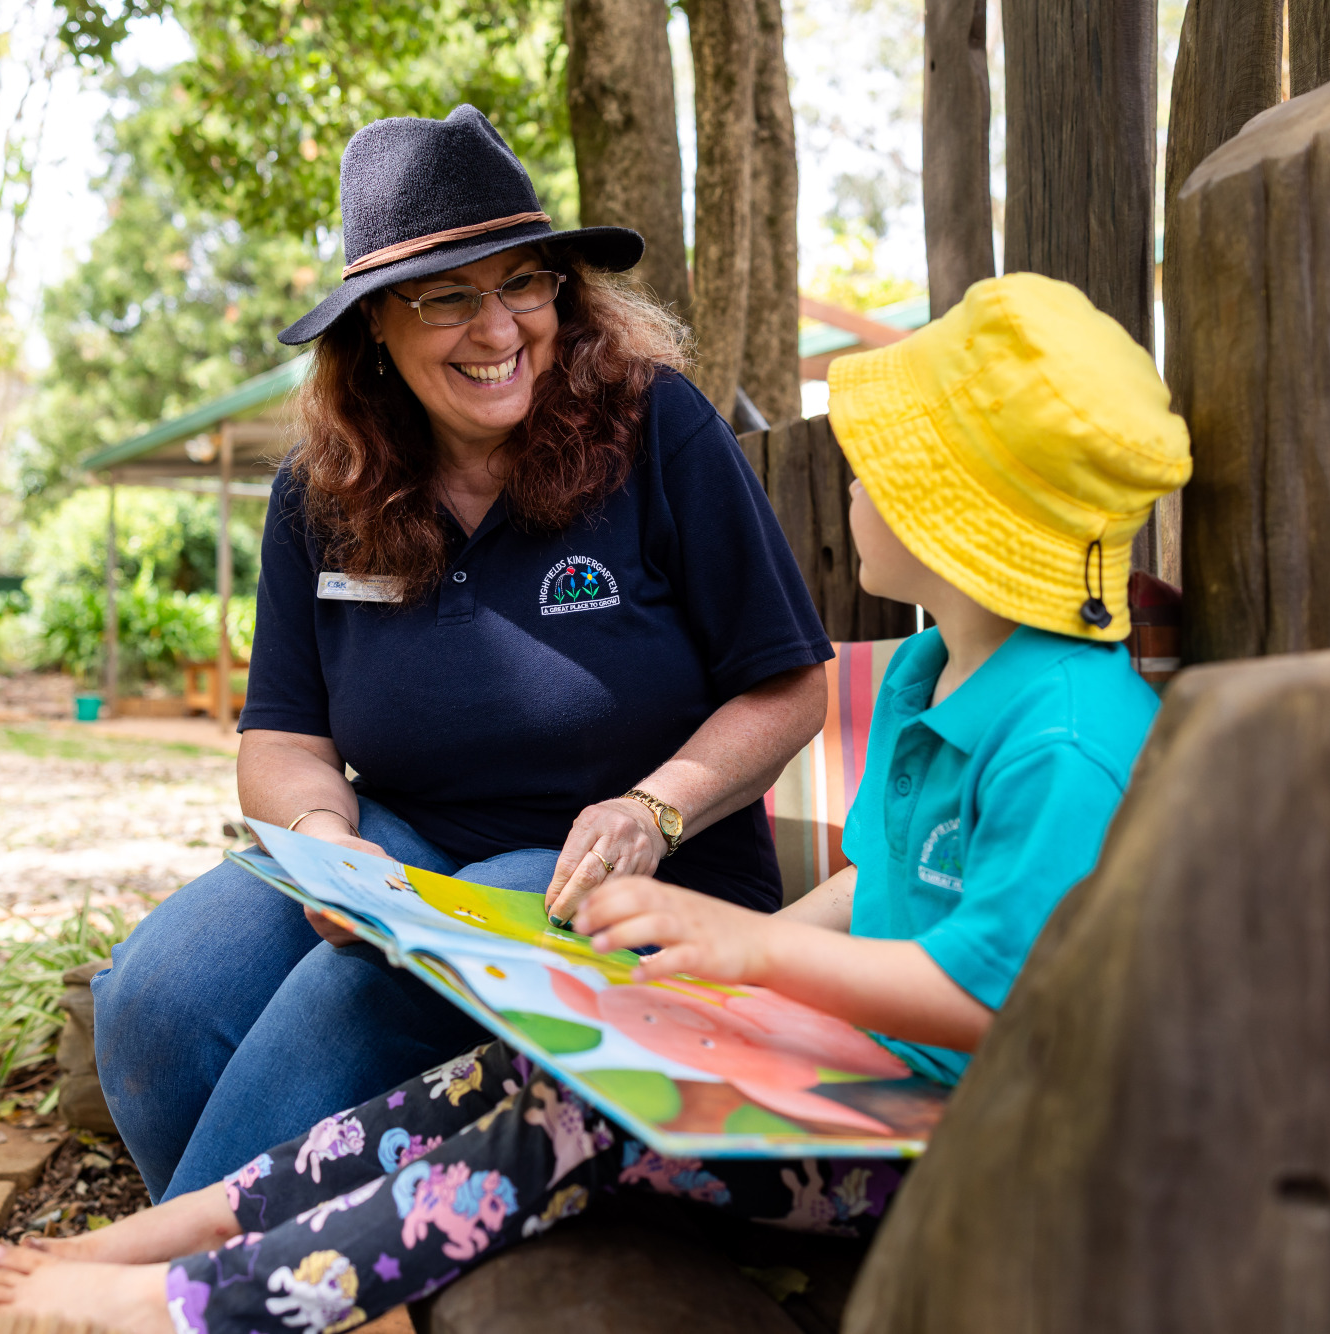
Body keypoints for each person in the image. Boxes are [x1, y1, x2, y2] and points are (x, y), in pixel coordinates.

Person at [0, 272, 1196, 1333]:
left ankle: (201, 1302)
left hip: (953, 1140)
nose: (851, 494)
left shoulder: (1062, 735)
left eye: (880, 474)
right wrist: (703, 987)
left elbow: (999, 999)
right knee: (480, 1080)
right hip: (857, 1075)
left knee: (562, 1122)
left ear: (951, 519)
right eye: (446, 295)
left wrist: (745, 946)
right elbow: (879, 889)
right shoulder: (938, 672)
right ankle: (170, 1236)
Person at [91, 103, 834, 1204]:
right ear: (373, 330)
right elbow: (284, 735)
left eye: (523, 283)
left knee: (369, 987)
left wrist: (655, 806)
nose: (498, 329)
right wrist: (327, 846)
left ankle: (171, 1280)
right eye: (446, 297)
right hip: (403, 839)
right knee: (153, 997)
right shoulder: (319, 491)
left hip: (638, 860)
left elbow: (789, 684)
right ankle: (271, 1262)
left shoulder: (654, 426)